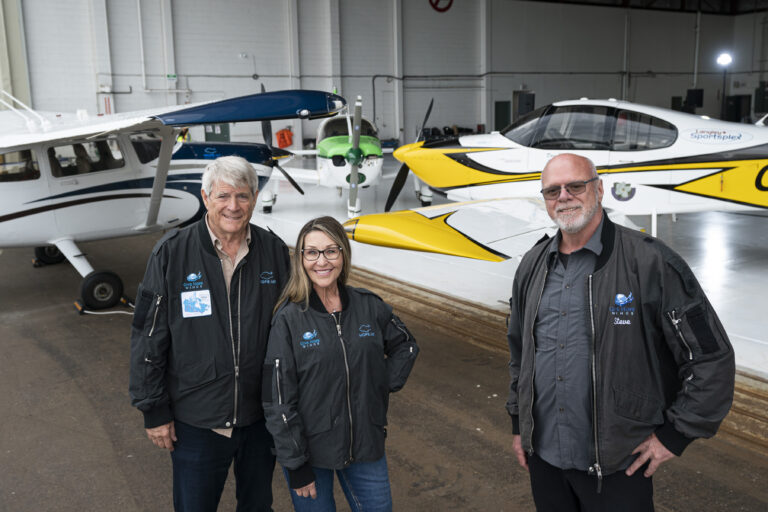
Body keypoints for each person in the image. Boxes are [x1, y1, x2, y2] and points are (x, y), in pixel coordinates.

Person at [505, 153, 735, 511]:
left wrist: (674, 436)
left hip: (618, 467)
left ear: (598, 189)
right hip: (545, 460)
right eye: (552, 191)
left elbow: (710, 357)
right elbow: (520, 352)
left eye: (575, 186)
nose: (563, 196)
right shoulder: (533, 265)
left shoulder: (650, 262)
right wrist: (520, 425)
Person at [129, 155, 290, 512]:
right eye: (223, 196)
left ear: (255, 197)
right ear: (205, 198)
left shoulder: (274, 252)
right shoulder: (172, 252)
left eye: (243, 196)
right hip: (197, 421)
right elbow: (148, 334)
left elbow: (293, 329)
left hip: (259, 417)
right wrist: (153, 410)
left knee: (258, 506)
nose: (233, 206)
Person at [263, 216, 419, 512]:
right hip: (310, 452)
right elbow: (278, 400)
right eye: (312, 252)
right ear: (301, 258)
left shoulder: (368, 305)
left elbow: (406, 345)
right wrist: (295, 464)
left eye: (331, 251)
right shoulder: (289, 318)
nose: (322, 261)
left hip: (365, 445)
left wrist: (379, 385)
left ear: (343, 254)